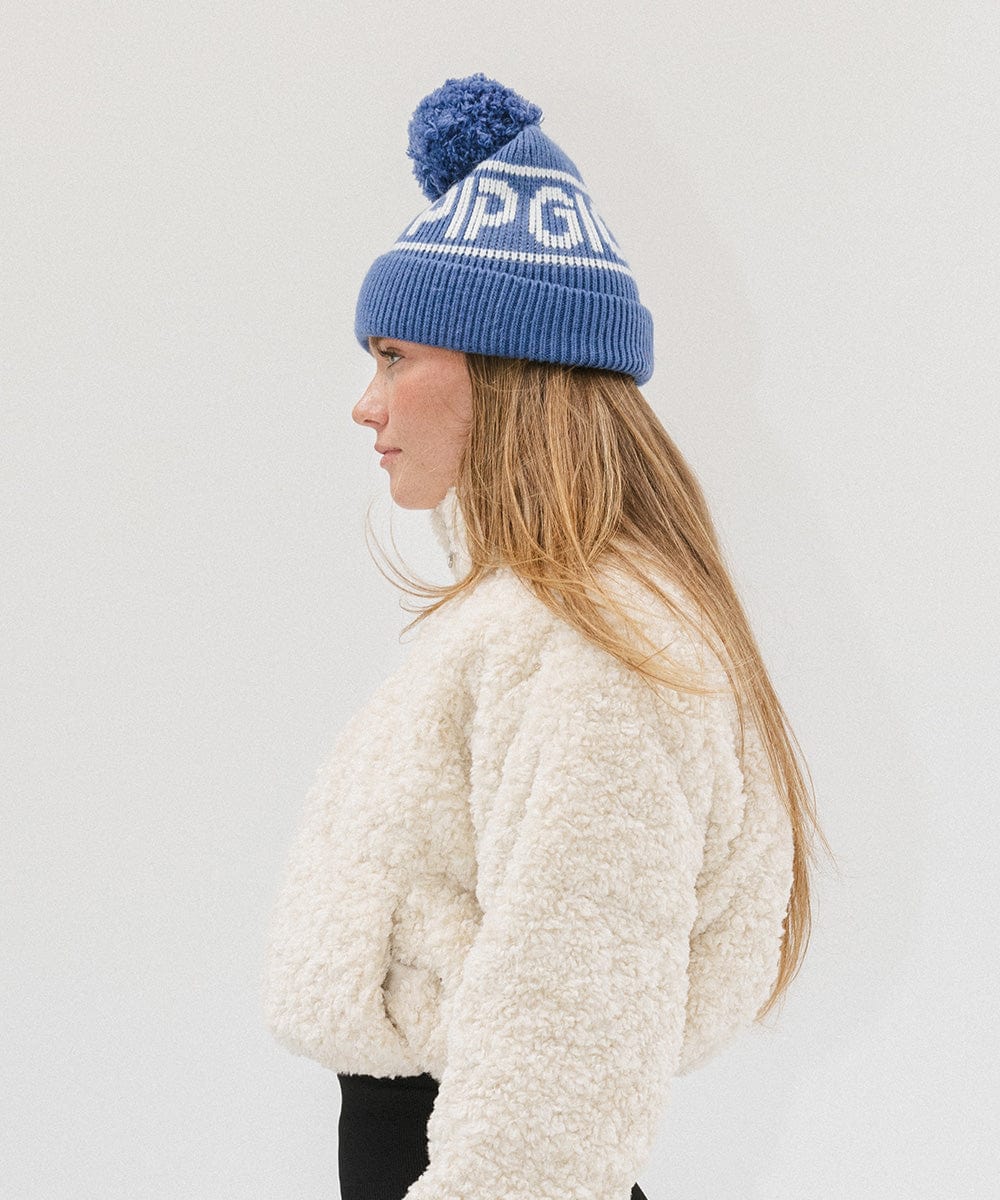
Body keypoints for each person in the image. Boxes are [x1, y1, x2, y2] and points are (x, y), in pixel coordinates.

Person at [261, 73, 829, 1200]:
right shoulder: (539, 620)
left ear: (502, 370)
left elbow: (574, 1013)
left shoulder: (599, 645)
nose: (365, 405)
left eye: (392, 357)